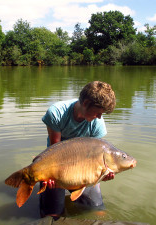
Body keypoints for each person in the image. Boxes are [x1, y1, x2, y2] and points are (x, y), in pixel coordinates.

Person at [40, 81, 116, 218]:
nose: (99, 117)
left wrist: (101, 175)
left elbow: (95, 160)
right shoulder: (57, 113)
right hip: (56, 166)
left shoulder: (98, 124)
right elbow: (55, 152)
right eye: (98, 112)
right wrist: (51, 177)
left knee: (97, 211)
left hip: (83, 170)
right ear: (86, 103)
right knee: (52, 215)